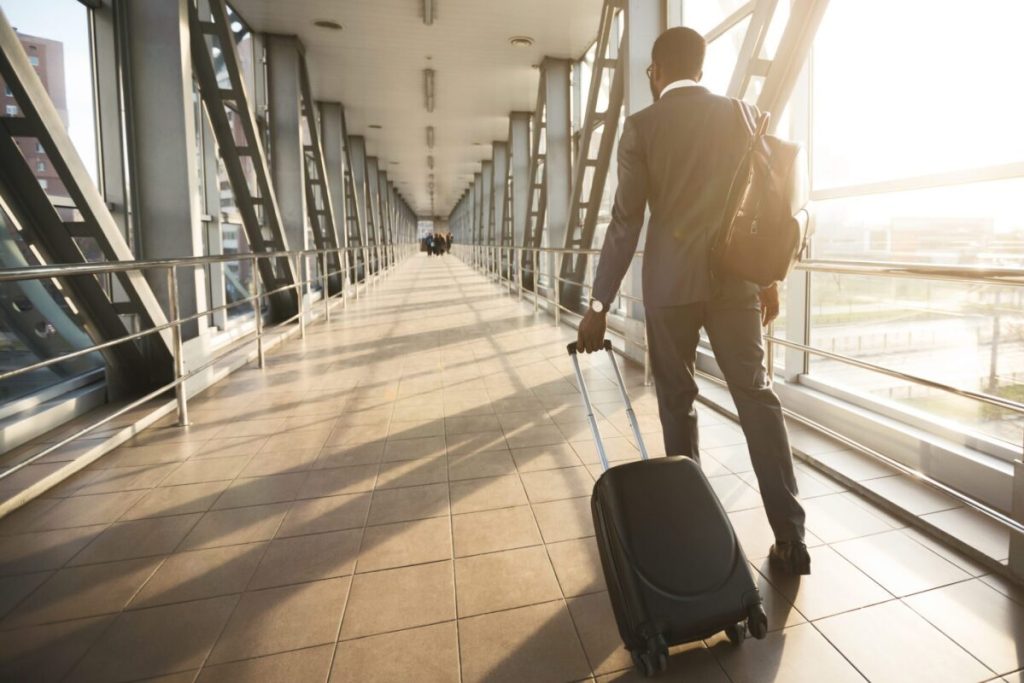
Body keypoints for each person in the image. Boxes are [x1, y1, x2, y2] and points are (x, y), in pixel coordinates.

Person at [576, 26, 809, 575]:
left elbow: (626, 223)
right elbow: (766, 208)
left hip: (669, 289)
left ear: (655, 72)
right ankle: (791, 539)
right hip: (736, 286)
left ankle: (699, 537)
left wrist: (598, 303)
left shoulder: (641, 128)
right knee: (757, 400)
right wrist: (767, 280)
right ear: (701, 70)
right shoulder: (745, 115)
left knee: (678, 406)